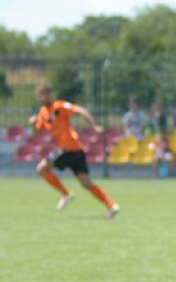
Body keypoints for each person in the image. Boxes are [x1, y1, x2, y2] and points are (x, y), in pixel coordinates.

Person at [29, 84, 119, 218]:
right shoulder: (43, 113)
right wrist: (32, 124)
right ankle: (111, 206)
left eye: (47, 93)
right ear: (38, 97)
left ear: (50, 94)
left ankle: (65, 194)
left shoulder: (58, 106)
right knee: (86, 182)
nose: (45, 96)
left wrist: (93, 127)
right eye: (42, 94)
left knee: (41, 169)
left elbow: (81, 111)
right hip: (73, 150)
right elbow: (37, 133)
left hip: (70, 149)